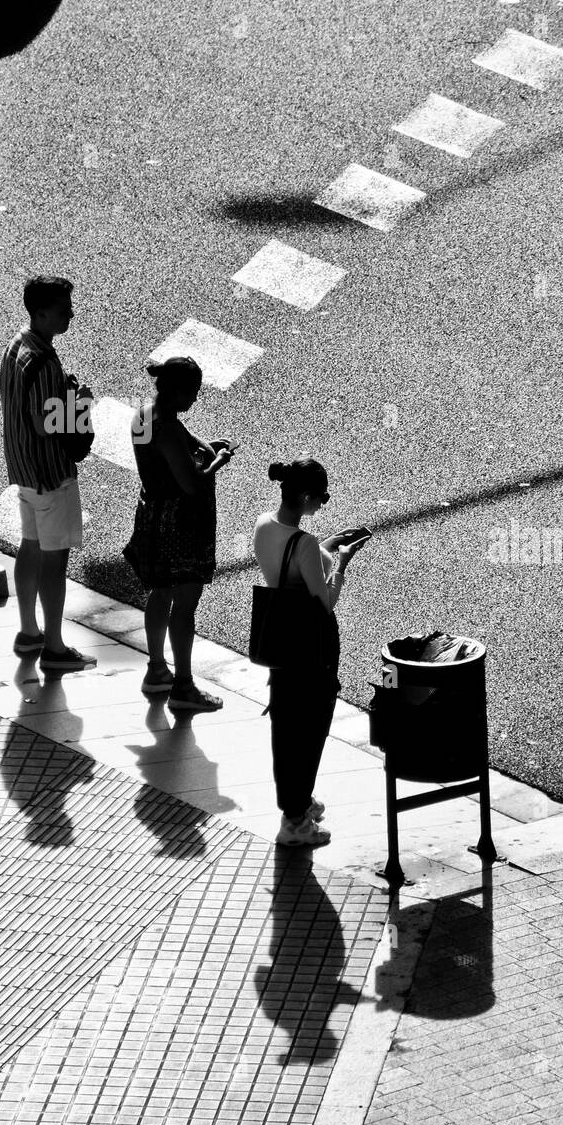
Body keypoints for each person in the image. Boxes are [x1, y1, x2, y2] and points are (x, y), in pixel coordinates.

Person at [253, 459, 368, 846]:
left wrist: (324, 547)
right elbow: (325, 602)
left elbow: (291, 567)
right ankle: (295, 820)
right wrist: (341, 562)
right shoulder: (303, 544)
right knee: (309, 730)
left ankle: (298, 802)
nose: (324, 502)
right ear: (305, 496)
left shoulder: (265, 525)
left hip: (281, 643)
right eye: (322, 496)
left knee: (286, 727)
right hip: (309, 645)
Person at [123, 356, 236, 712]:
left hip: (152, 516)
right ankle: (184, 686)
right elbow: (191, 483)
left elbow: (187, 441)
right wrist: (218, 461)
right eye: (193, 392)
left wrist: (207, 447)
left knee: (160, 594)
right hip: (181, 526)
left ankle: (157, 669)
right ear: (177, 390)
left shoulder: (145, 414)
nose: (196, 399)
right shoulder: (168, 428)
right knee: (184, 607)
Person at [0, 275, 96, 672]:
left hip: (23, 470)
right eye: (62, 309)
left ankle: (28, 632)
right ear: (40, 313)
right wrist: (80, 406)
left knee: (31, 546)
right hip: (50, 473)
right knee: (55, 561)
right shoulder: (42, 362)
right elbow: (43, 423)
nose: (70, 314)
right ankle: (54, 647)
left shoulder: (16, 346)